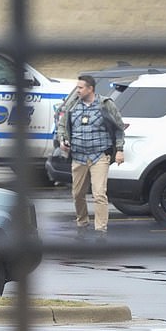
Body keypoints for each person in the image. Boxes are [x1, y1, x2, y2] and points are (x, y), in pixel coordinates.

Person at [57, 74, 125, 240]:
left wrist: (119, 150)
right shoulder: (72, 106)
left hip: (99, 155)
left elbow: (119, 127)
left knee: (99, 193)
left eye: (80, 88)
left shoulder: (105, 104)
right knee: (77, 193)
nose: (77, 90)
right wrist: (62, 140)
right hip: (78, 156)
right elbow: (61, 126)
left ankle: (100, 230)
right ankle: (82, 223)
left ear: (90, 89)